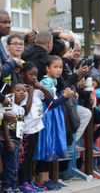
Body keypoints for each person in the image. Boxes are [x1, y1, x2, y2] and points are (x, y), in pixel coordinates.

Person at [33, 56, 74, 190]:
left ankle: (46, 178)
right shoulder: (46, 82)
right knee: (46, 146)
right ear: (47, 68)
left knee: (50, 146)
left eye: (60, 67)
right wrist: (65, 97)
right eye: (55, 67)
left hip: (53, 118)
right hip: (47, 118)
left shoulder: (53, 81)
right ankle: (42, 179)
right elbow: (50, 103)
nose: (59, 70)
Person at [18, 62, 53, 192]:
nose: (34, 77)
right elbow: (25, 111)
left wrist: (41, 88)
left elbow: (50, 97)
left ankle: (29, 181)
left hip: (36, 127)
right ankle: (22, 182)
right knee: (24, 158)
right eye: (31, 74)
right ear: (22, 74)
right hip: (26, 129)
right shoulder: (22, 90)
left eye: (36, 75)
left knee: (31, 156)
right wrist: (31, 93)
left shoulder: (37, 88)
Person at [1, 83, 26, 193]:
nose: (22, 92)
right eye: (18, 90)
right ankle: (6, 187)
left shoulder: (22, 109)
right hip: (8, 140)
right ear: (11, 93)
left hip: (16, 140)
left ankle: (14, 186)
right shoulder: (9, 107)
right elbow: (4, 125)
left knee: (15, 165)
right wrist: (8, 141)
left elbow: (21, 126)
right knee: (10, 166)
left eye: (24, 91)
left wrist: (20, 143)